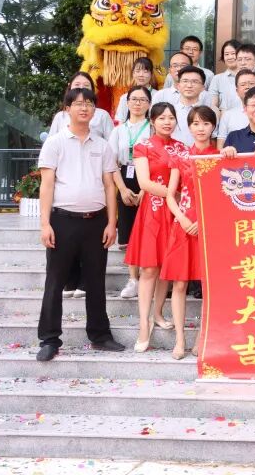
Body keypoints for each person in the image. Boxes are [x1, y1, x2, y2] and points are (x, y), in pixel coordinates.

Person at [35, 86, 124, 362]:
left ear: (95, 110)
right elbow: (46, 185)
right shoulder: (55, 143)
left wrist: (112, 222)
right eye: (78, 103)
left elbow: (109, 186)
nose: (84, 108)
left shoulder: (102, 145)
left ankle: (100, 335)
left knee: (96, 280)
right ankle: (49, 339)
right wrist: (45, 224)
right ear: (67, 109)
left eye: (89, 104)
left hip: (96, 222)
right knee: (55, 281)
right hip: (63, 221)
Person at [127, 102, 187, 352]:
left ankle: (159, 312)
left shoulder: (182, 148)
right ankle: (144, 323)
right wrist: (173, 195)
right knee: (150, 267)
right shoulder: (143, 146)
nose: (167, 122)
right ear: (152, 120)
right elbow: (144, 182)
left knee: (166, 266)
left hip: (176, 212)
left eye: (171, 118)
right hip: (153, 211)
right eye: (161, 118)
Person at [162, 105, 217, 359]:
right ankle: (180, 340)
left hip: (210, 227)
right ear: (189, 127)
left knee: (209, 285)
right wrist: (182, 219)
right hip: (183, 224)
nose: (201, 128)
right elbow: (170, 195)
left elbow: (223, 198)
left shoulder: (219, 157)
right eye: (195, 123)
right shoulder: (181, 157)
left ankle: (202, 338)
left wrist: (205, 221)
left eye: (205, 123)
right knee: (180, 283)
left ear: (213, 127)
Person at [108, 84, 151, 299]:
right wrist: (123, 189)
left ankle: (148, 277)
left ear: (149, 104)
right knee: (129, 233)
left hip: (149, 179)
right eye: (134, 99)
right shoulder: (118, 130)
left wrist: (145, 189)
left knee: (147, 231)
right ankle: (133, 279)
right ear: (127, 102)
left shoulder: (153, 128)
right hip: (125, 177)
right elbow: (111, 163)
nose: (138, 103)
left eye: (142, 100)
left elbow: (157, 160)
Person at [50, 72, 113, 143]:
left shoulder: (103, 115)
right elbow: (51, 142)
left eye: (86, 85)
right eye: (77, 85)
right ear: (70, 87)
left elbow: (111, 144)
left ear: (92, 89)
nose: (81, 88)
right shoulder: (60, 116)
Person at [163, 66, 211, 145]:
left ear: (203, 88)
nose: (189, 85)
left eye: (195, 81)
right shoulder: (169, 111)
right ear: (178, 86)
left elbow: (213, 140)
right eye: (185, 81)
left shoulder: (209, 112)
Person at [216, 69, 255, 148]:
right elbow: (220, 146)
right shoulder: (228, 115)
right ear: (237, 91)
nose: (247, 87)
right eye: (243, 85)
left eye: (251, 83)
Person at [114, 57, 156, 122]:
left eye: (145, 71)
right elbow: (120, 120)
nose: (141, 75)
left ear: (151, 74)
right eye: (137, 71)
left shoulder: (158, 95)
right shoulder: (125, 97)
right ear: (133, 73)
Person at [207, 40, 243, 111]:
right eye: (226, 54)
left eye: (233, 53)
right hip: (224, 116)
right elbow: (213, 106)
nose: (230, 57)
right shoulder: (217, 79)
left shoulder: (250, 78)